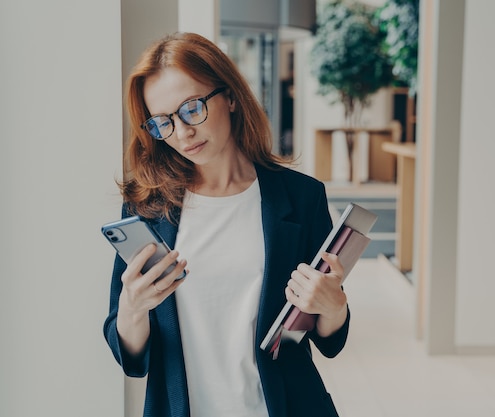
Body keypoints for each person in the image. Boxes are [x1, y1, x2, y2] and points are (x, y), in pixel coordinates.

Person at [103, 32, 350, 417]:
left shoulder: (301, 198)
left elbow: (325, 340)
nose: (182, 133)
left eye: (191, 108)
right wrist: (132, 308)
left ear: (231, 96)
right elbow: (133, 360)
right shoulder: (148, 207)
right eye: (163, 122)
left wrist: (335, 307)